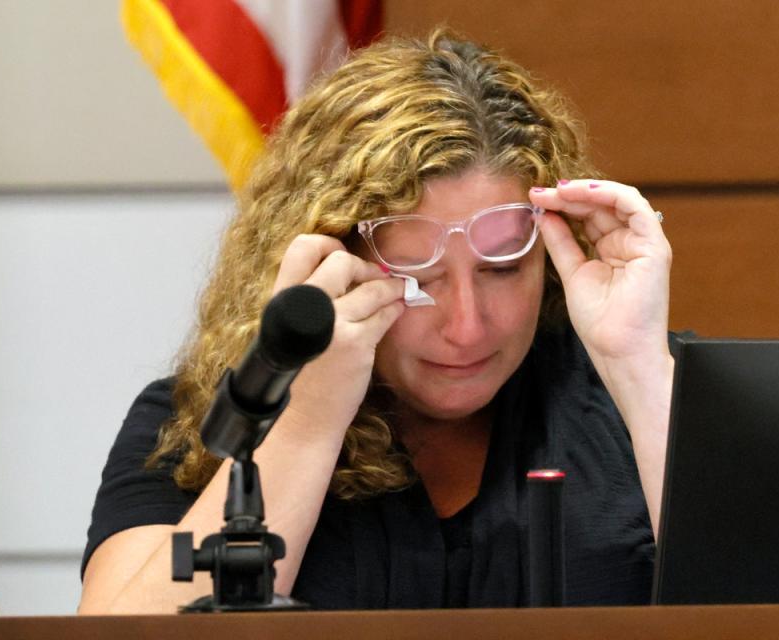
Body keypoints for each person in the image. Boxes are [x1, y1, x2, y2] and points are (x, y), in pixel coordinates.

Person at [78, 28, 673, 613]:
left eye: (502, 269)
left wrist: (637, 368)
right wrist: (307, 418)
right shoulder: (201, 418)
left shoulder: (645, 383)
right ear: (331, 261)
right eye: (419, 276)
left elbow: (758, 609)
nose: (466, 326)